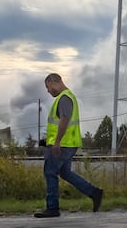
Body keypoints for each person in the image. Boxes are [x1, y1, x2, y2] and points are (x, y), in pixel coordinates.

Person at [34, 73, 103, 218]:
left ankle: (52, 208)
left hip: (63, 145)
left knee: (50, 172)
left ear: (54, 82)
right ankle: (94, 192)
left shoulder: (65, 98)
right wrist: (48, 141)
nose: (48, 91)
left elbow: (64, 120)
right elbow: (59, 123)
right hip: (67, 144)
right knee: (65, 173)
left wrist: (57, 142)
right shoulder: (66, 97)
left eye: (48, 87)